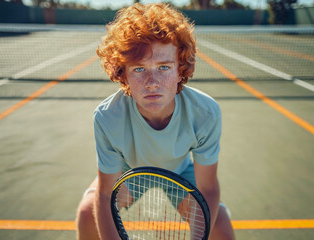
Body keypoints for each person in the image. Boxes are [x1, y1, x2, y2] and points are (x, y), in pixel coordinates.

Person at [76, 3, 235, 240]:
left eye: (163, 67)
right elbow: (106, 193)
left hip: (180, 171)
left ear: (181, 70)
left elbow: (208, 188)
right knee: (87, 213)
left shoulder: (205, 113)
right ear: (123, 74)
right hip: (131, 170)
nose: (152, 82)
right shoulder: (108, 116)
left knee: (220, 224)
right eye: (139, 69)